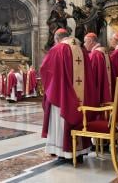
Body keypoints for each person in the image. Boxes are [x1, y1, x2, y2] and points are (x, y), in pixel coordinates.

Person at [41, 28, 97, 160]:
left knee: (61, 120)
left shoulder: (57, 49)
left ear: (56, 38)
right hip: (81, 98)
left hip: (61, 95)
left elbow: (45, 70)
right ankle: (80, 152)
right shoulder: (82, 50)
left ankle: (65, 153)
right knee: (79, 115)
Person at [83, 32, 112, 104]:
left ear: (91, 41)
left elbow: (91, 74)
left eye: (85, 42)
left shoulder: (95, 54)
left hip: (97, 87)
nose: (84, 44)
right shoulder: (104, 52)